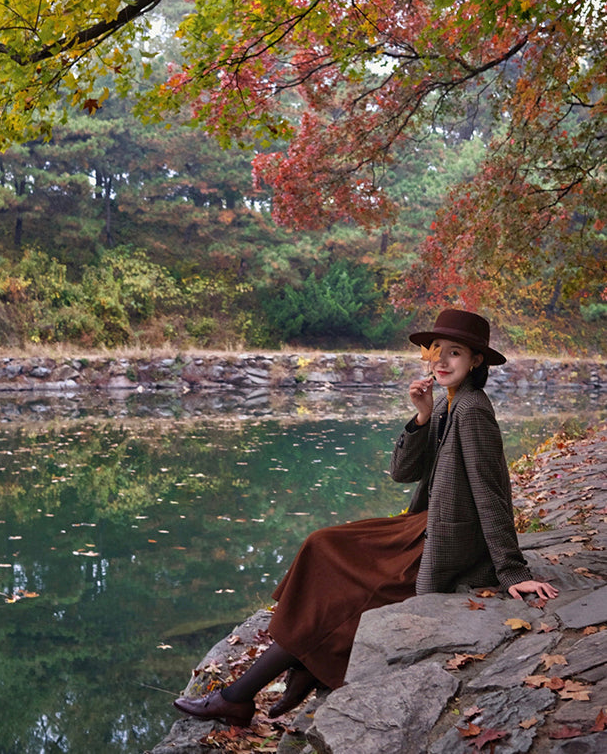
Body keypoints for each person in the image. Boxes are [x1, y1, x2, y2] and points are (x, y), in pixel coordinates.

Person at [174, 308, 559, 727]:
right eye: (437, 353)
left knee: (350, 590)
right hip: (424, 523)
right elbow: (402, 473)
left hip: (447, 541)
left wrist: (512, 570)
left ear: (476, 361)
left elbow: (491, 492)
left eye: (455, 353)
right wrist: (422, 415)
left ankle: (239, 696)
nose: (442, 362)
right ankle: (299, 670)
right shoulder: (449, 404)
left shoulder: (472, 409)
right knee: (322, 543)